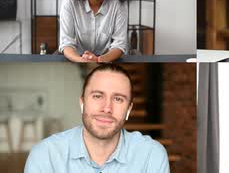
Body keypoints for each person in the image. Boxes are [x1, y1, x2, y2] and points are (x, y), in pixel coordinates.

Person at [24, 64, 169, 172]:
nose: (107, 108)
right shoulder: (45, 155)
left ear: (129, 109)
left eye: (118, 99)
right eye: (97, 96)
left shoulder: (151, 155)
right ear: (82, 103)